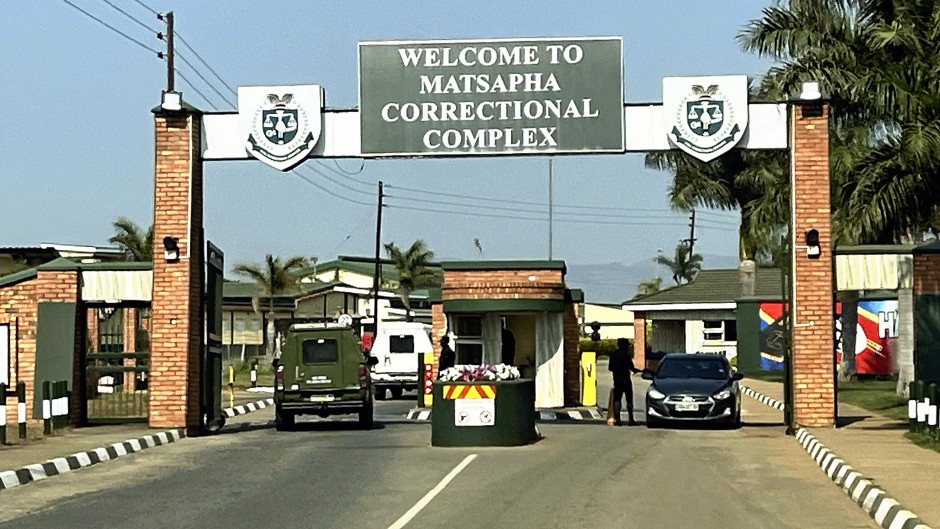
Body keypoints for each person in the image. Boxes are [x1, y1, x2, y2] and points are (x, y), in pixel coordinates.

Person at [608, 337, 642, 426]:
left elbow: (610, 368)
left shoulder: (613, 355)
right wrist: (638, 370)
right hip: (626, 380)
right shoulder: (626, 355)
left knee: (617, 399)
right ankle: (631, 419)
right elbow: (631, 367)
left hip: (617, 380)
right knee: (629, 400)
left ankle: (618, 419)